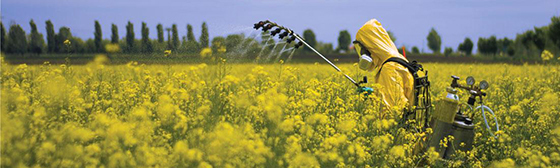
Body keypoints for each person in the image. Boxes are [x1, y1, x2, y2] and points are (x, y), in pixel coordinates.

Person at [354, 19, 415, 114]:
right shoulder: (397, 59)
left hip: (405, 127)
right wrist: (374, 95)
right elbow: (394, 95)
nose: (362, 53)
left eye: (363, 49)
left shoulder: (390, 67)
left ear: (372, 46)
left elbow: (392, 111)